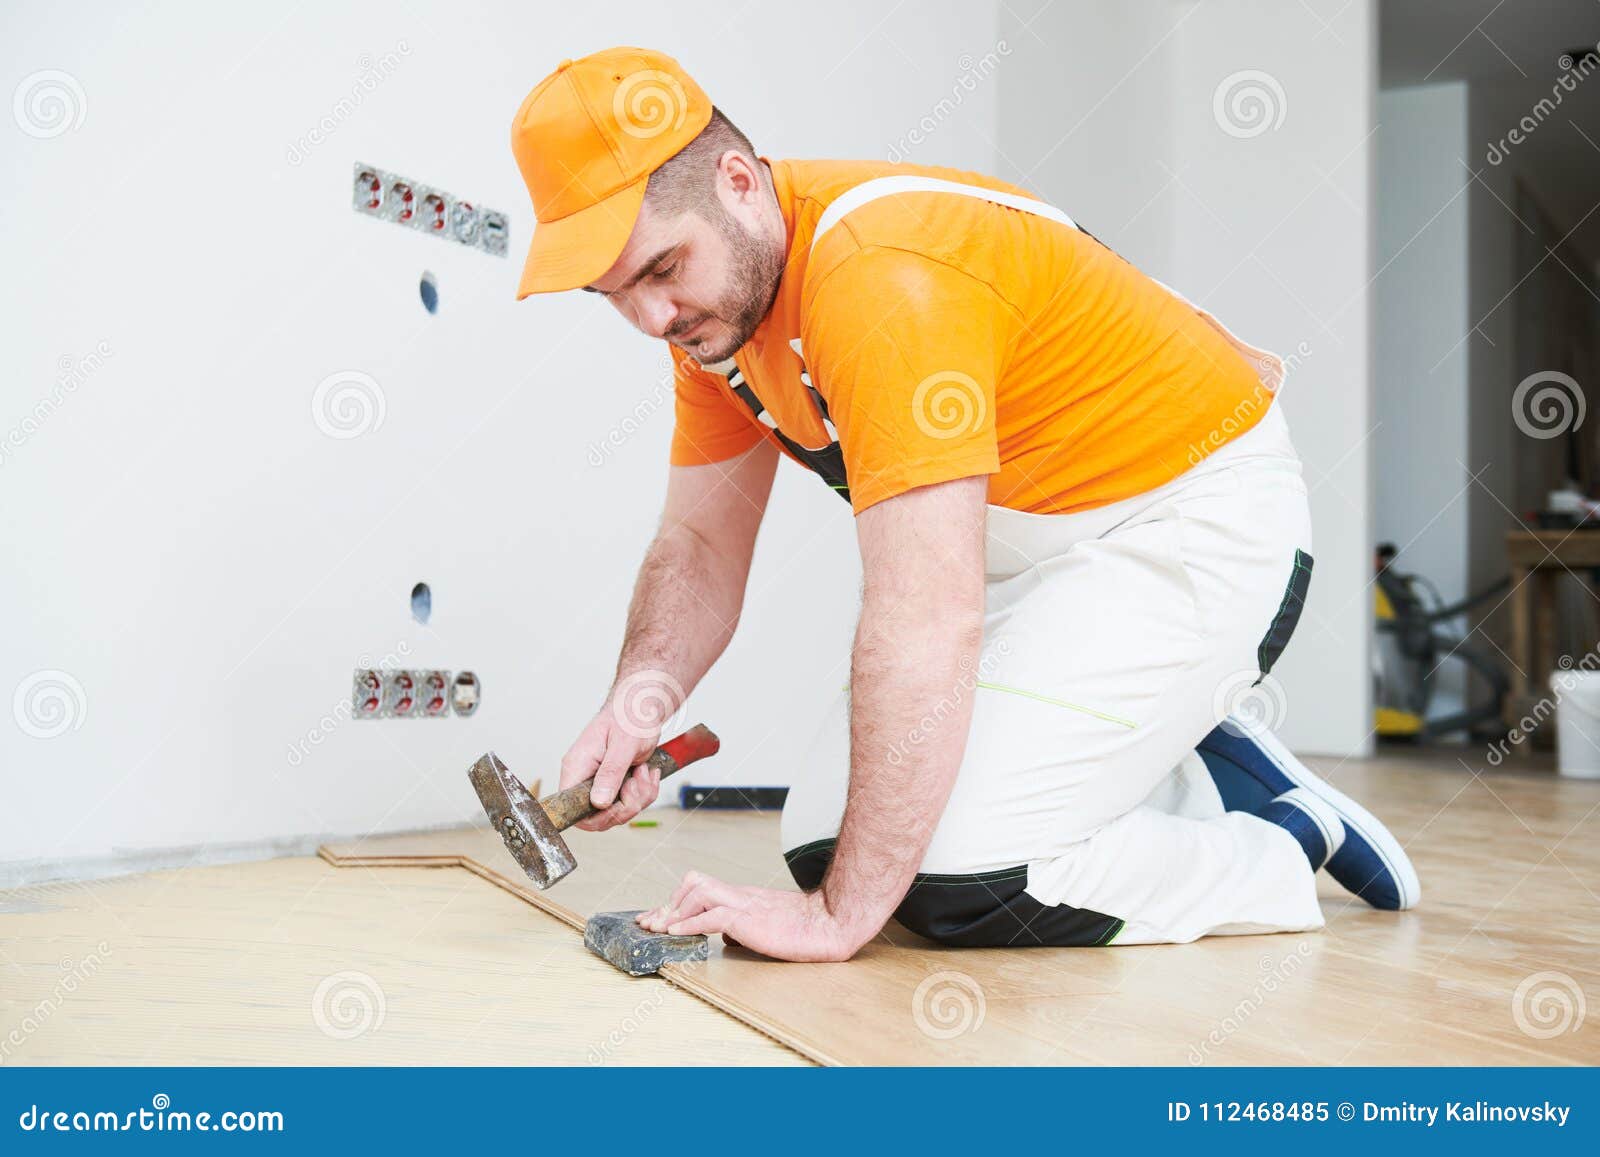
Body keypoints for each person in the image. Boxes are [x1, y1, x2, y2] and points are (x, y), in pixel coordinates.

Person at [510, 47, 1418, 963]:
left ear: (738, 182)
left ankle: (1278, 843)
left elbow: (926, 615)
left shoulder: (882, 275)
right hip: (1039, 556)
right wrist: (635, 707)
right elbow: (700, 540)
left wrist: (834, 922)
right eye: (616, 293)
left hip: (1191, 523)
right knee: (824, 839)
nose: (652, 319)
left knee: (955, 882)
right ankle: (1176, 759)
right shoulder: (714, 324)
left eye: (663, 268)